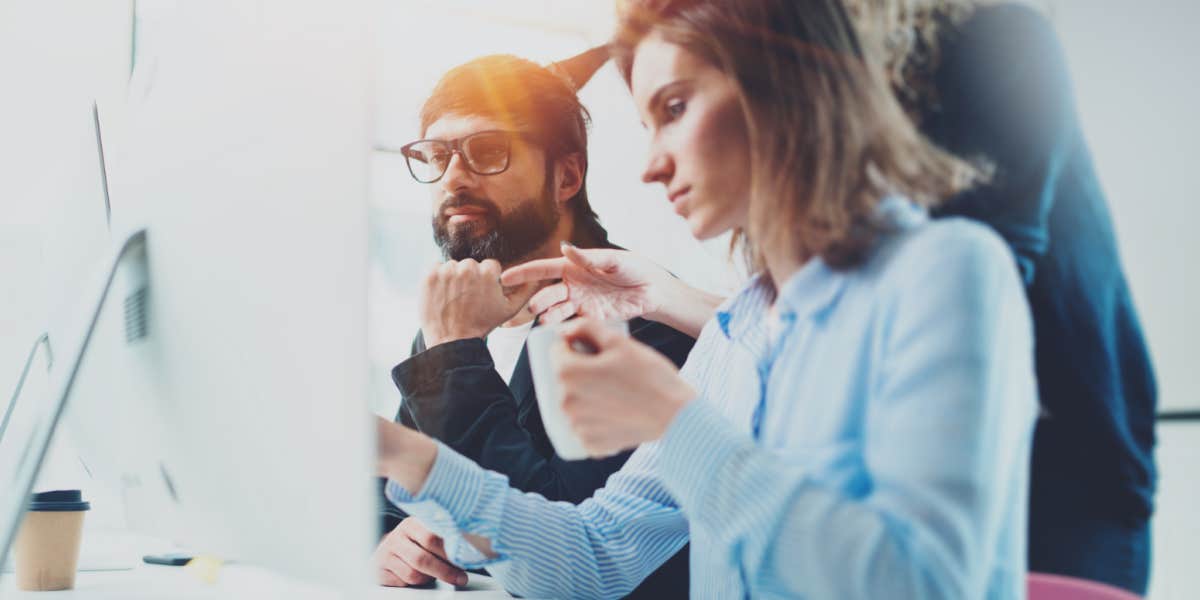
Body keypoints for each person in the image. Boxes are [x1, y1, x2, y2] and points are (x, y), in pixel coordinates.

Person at [375, 0, 1038, 598]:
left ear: (787, 90)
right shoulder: (737, 330)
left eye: (674, 109)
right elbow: (592, 558)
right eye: (646, 123)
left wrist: (671, 415)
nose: (650, 164)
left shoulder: (946, 272)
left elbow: (919, 586)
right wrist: (400, 454)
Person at [510, 2, 1159, 593]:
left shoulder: (978, 40)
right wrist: (675, 307)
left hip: (1061, 469)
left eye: (675, 109)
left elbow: (946, 296)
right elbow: (804, 313)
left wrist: (674, 412)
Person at [845, 2, 1158, 592]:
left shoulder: (998, 34)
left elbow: (990, 267)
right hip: (928, 445)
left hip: (1067, 455)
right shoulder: (827, 74)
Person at [373, 53, 694, 596]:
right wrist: (391, 544)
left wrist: (454, 354)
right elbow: (392, 498)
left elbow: (568, 540)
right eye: (436, 155)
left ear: (566, 176)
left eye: (488, 150)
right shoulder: (451, 320)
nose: (454, 178)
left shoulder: (643, 321)